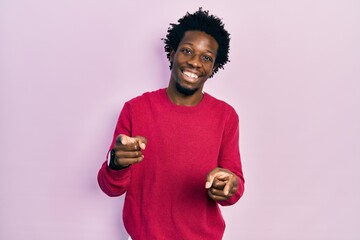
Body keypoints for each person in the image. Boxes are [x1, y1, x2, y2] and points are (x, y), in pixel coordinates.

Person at [98, 8, 245, 240]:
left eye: (206, 57)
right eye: (187, 51)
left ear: (214, 68)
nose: (195, 62)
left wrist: (228, 185)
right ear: (171, 53)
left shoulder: (226, 116)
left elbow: (233, 187)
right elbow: (110, 187)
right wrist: (116, 163)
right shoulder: (135, 109)